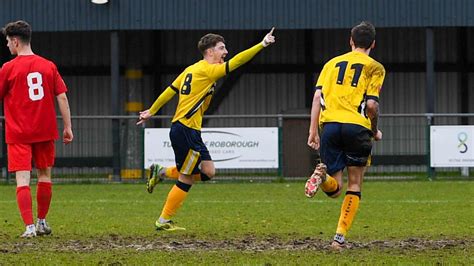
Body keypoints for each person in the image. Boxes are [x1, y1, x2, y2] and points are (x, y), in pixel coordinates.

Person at [137, 28, 276, 231]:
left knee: (209, 171)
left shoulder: (191, 69)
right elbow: (236, 62)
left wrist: (153, 110)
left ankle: (162, 172)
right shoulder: (207, 70)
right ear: (210, 52)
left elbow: (170, 91)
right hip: (185, 129)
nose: (225, 51)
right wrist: (262, 44)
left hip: (189, 130)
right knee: (186, 178)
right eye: (221, 48)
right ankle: (163, 221)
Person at [305, 21, 385, 249]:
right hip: (357, 127)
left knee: (334, 189)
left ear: (351, 41)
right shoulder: (375, 67)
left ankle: (322, 177)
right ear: (373, 44)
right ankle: (338, 238)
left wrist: (313, 131)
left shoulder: (331, 64)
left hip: (329, 127)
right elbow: (371, 106)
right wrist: (374, 129)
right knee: (355, 184)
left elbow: (316, 99)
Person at [0, 20, 73, 238]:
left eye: (7, 42)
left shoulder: (8, 68)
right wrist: (68, 126)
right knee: (44, 176)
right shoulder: (48, 65)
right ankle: (41, 222)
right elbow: (61, 96)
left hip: (19, 133)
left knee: (23, 179)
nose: (6, 46)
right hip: (45, 130)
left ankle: (29, 227)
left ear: (15, 41)